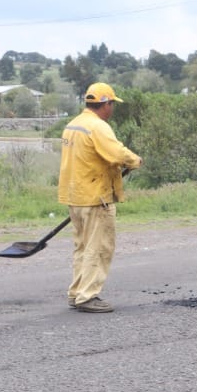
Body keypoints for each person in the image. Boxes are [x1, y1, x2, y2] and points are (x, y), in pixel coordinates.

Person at [57, 82, 142, 313]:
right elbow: (116, 153)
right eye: (112, 104)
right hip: (96, 199)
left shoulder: (73, 125)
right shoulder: (98, 127)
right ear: (105, 104)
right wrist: (134, 160)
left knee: (82, 248)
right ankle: (87, 296)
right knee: (99, 247)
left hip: (75, 197)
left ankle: (76, 293)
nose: (112, 108)